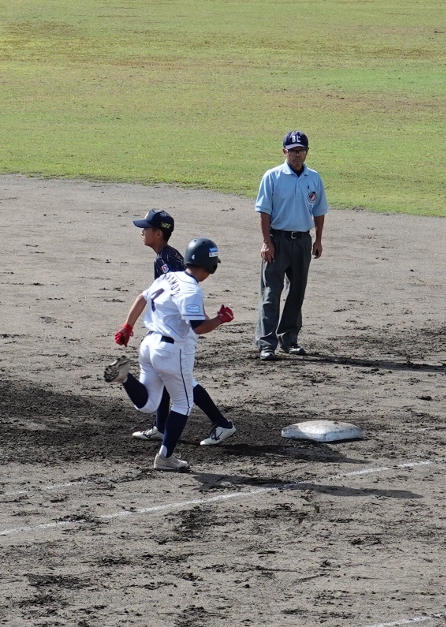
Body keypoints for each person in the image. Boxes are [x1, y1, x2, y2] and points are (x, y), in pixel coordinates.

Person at [105, 238, 235, 471]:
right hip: (170, 351)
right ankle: (165, 457)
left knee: (148, 404)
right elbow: (198, 327)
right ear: (210, 265)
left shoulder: (168, 277)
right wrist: (220, 319)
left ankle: (125, 378)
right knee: (183, 403)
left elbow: (141, 298)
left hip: (148, 345)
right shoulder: (191, 289)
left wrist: (127, 327)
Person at [123, 210, 237, 447]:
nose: (142, 232)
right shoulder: (167, 255)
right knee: (168, 377)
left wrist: (204, 320)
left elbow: (184, 291)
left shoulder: (166, 260)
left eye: (146, 228)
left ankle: (221, 423)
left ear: (158, 233)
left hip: (180, 330)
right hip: (176, 326)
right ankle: (161, 427)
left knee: (184, 384)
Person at [255, 130, 328, 361]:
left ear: (307, 152)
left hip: (302, 240)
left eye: (301, 150)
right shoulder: (272, 176)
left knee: (297, 292)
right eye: (293, 150)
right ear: (284, 152)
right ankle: (267, 343)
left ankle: (289, 339)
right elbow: (264, 212)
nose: (297, 154)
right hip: (277, 240)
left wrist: (318, 240)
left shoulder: (313, 178)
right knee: (271, 292)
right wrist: (267, 242)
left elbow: (319, 211)